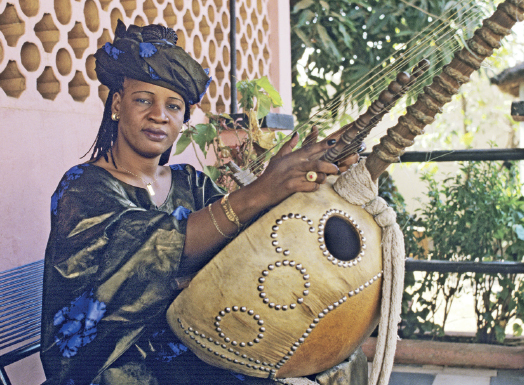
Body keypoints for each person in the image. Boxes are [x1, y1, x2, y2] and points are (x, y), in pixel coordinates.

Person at [40, 21, 355, 385]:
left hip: (194, 348)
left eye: (173, 106)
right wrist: (262, 190)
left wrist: (305, 185)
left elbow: (248, 245)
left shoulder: (189, 183)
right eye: (144, 99)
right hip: (112, 366)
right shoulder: (82, 189)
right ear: (116, 104)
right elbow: (153, 247)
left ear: (182, 120)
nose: (159, 115)